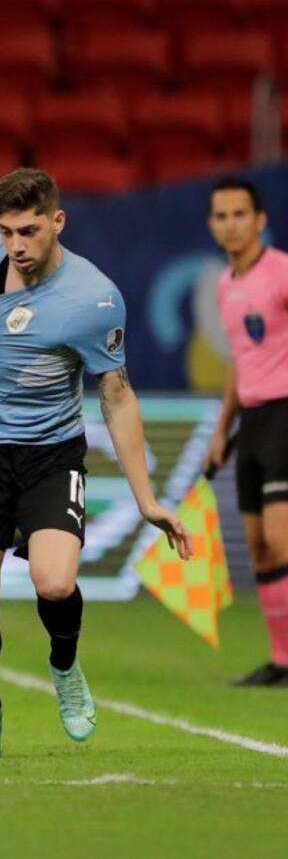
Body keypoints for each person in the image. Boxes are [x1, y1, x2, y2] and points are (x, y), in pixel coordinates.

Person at [0, 168, 191, 759]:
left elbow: (117, 395)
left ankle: (64, 666)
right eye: (6, 231)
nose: (16, 246)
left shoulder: (94, 298)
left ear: (58, 222)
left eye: (28, 231)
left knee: (55, 582)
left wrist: (147, 499)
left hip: (50, 454)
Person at [202, 177, 288, 687]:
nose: (230, 224)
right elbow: (240, 360)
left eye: (240, 214)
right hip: (252, 423)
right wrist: (221, 430)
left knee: (281, 539)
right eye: (221, 216)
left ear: (261, 220)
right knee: (258, 546)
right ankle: (282, 660)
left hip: (285, 414)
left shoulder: (280, 273)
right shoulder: (225, 284)